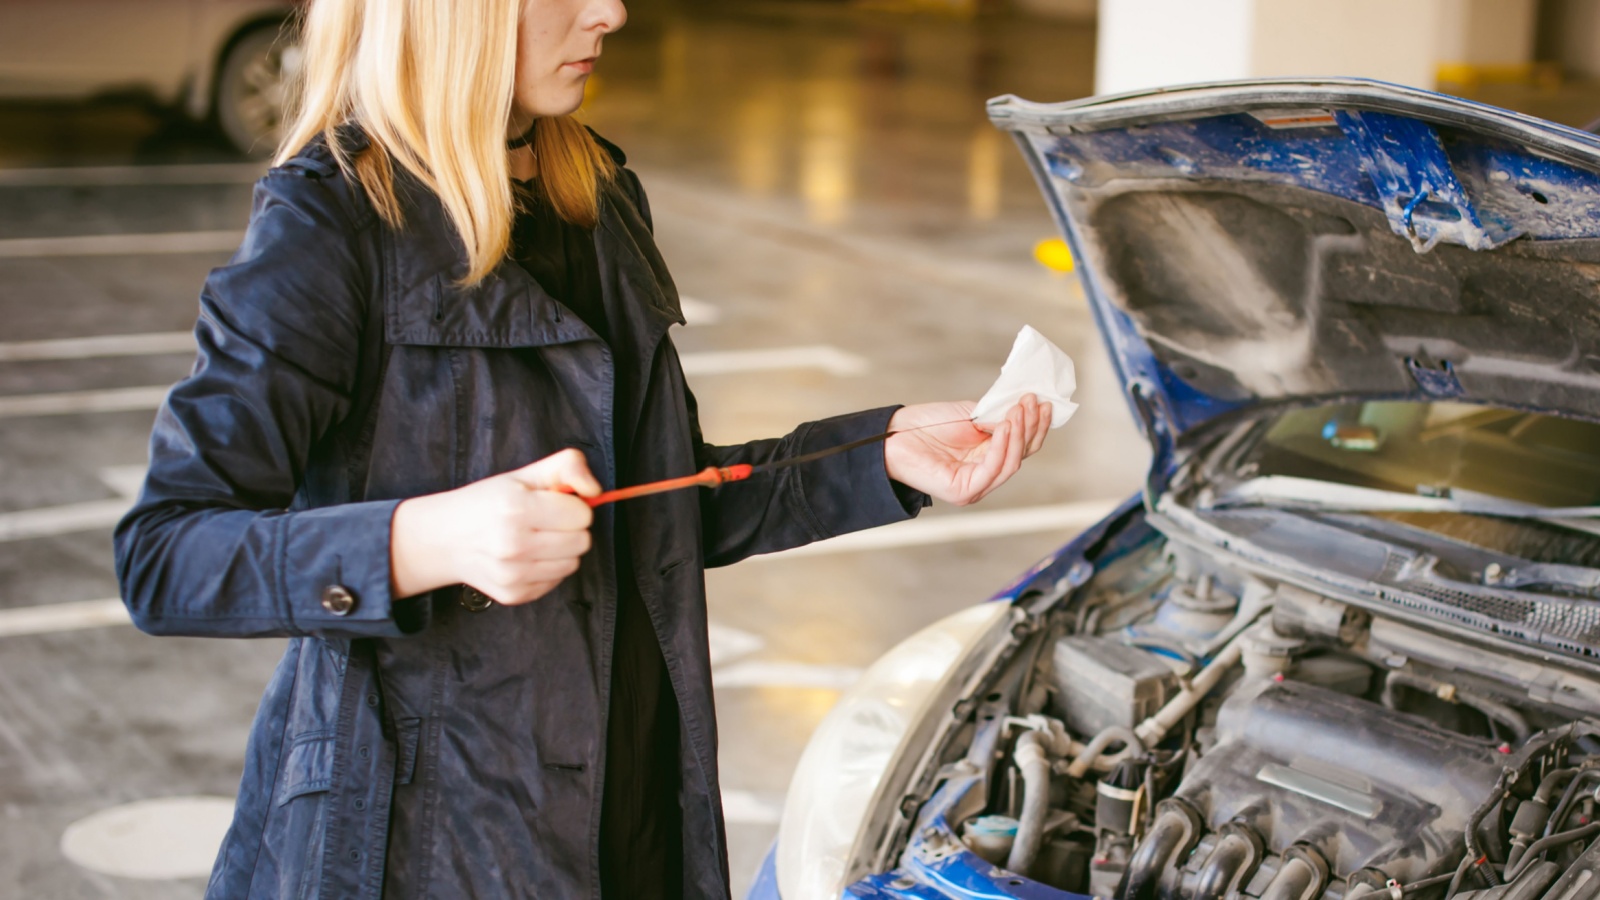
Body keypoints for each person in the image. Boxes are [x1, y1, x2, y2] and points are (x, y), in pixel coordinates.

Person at [112, 0, 1052, 897]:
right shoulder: (331, 225)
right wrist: (427, 541)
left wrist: (878, 453)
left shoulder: (595, 193)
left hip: (631, 807)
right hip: (426, 844)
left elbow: (658, 505)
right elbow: (166, 555)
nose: (613, 16)